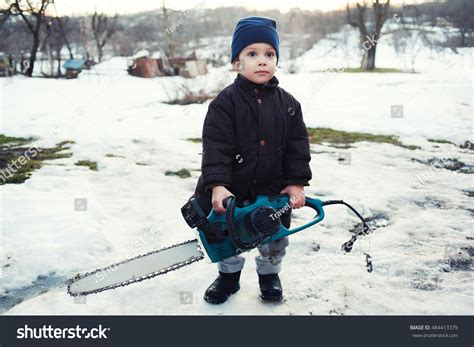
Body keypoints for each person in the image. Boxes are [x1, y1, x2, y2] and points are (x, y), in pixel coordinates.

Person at [192, 16, 312, 304]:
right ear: (237, 62)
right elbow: (216, 147)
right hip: (233, 192)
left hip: (273, 191)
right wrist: (218, 185)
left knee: (274, 239)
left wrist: (296, 183)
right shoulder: (224, 104)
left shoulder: (289, 105)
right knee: (227, 238)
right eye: (252, 54)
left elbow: (298, 146)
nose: (262, 61)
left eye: (269, 54)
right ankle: (228, 277)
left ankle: (269, 276)